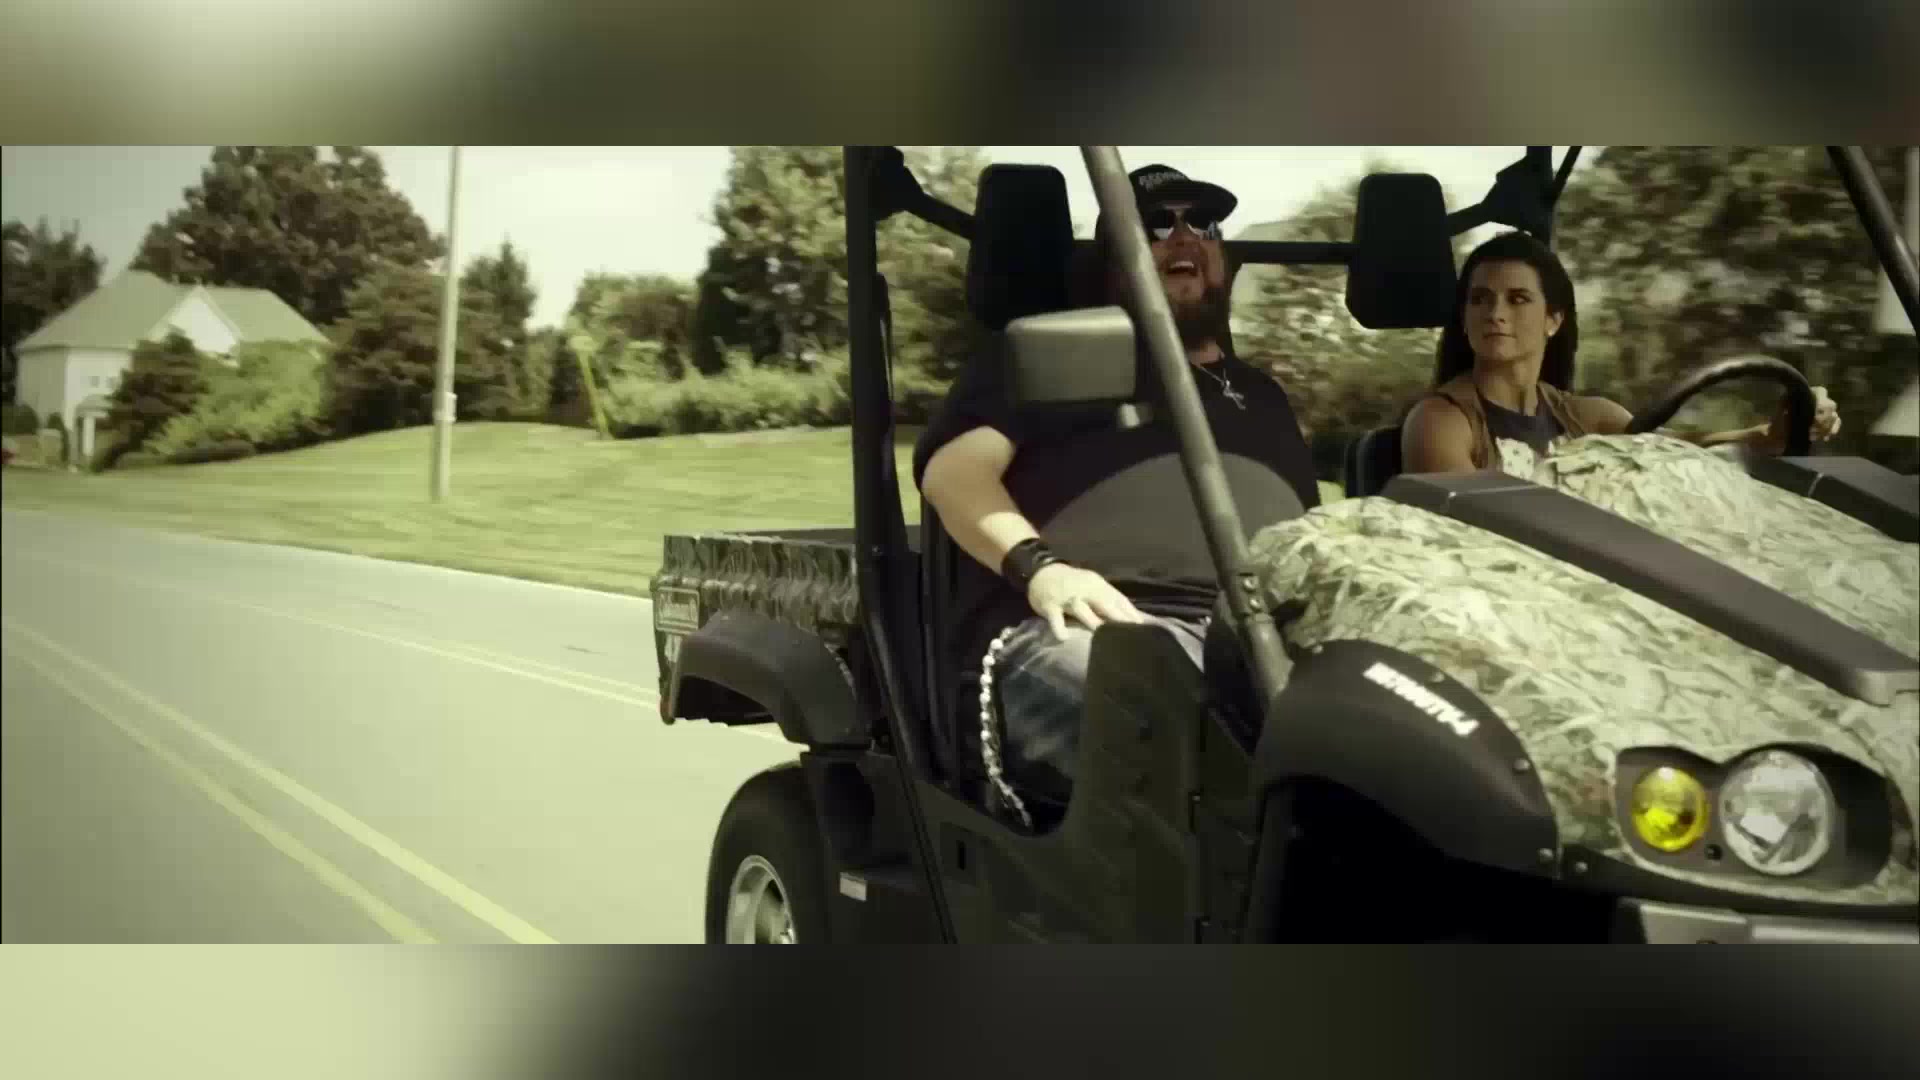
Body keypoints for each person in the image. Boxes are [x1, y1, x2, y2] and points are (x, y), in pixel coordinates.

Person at [913, 164, 1321, 822]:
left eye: (1203, 223)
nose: (1184, 237)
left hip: (1250, 637)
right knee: (1168, 712)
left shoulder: (1264, 395)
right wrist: (1044, 570)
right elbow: (953, 475)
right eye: (1156, 225)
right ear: (1113, 261)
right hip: (1087, 626)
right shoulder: (1050, 360)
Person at [1401, 230, 1842, 475]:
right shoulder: (1439, 422)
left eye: (1517, 299)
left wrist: (1772, 434)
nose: (1495, 313)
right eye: (1479, 299)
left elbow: (1684, 450)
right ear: (1464, 318)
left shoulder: (1588, 418)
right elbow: (1470, 532)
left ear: (1553, 320)